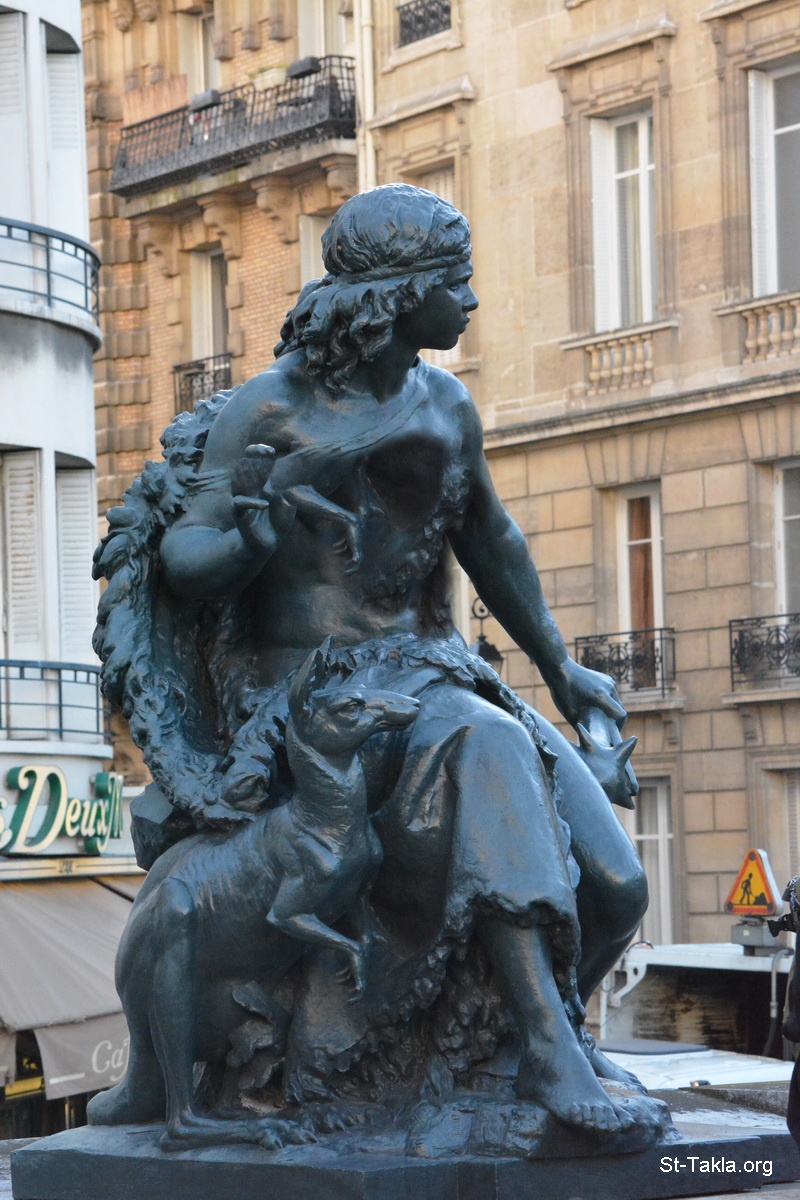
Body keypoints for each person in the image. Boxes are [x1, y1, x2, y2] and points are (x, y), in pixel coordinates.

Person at [97, 184, 649, 1138]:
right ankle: (549, 1048)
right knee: (485, 744)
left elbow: (491, 539)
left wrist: (562, 670)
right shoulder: (269, 409)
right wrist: (252, 536)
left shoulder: (447, 403)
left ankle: (524, 1045)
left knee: (617, 885)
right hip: (309, 691)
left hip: (435, 672)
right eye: (456, 281)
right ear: (401, 293)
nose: (471, 301)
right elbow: (184, 558)